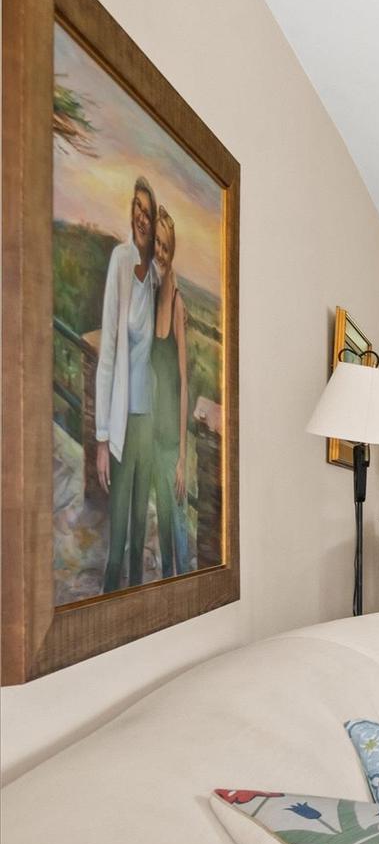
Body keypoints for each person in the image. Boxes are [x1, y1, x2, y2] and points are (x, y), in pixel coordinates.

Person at [93, 177, 160, 592]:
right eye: (136, 206)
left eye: (147, 211)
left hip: (149, 423)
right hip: (123, 422)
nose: (140, 215)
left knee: (139, 533)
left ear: (154, 222)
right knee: (117, 536)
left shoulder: (155, 275)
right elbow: (109, 354)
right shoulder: (120, 261)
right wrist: (102, 437)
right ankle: (105, 605)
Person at [145, 205, 191, 578]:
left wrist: (182, 458)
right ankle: (167, 584)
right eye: (155, 244)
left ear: (172, 249)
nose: (159, 251)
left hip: (171, 443)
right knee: (162, 520)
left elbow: (183, 383)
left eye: (165, 246)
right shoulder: (151, 296)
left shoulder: (177, 304)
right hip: (152, 436)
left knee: (177, 524)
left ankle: (185, 584)